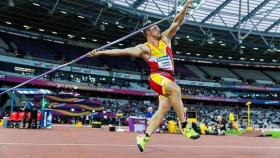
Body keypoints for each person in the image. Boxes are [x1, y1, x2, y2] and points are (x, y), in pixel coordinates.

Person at [89, 0, 199, 152]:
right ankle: (185, 126)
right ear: (149, 32)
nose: (159, 29)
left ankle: (144, 136)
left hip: (169, 78)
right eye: (156, 28)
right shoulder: (144, 48)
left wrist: (186, 6)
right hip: (157, 77)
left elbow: (176, 22)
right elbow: (124, 51)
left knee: (163, 111)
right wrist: (101, 52)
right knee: (176, 90)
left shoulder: (166, 39)